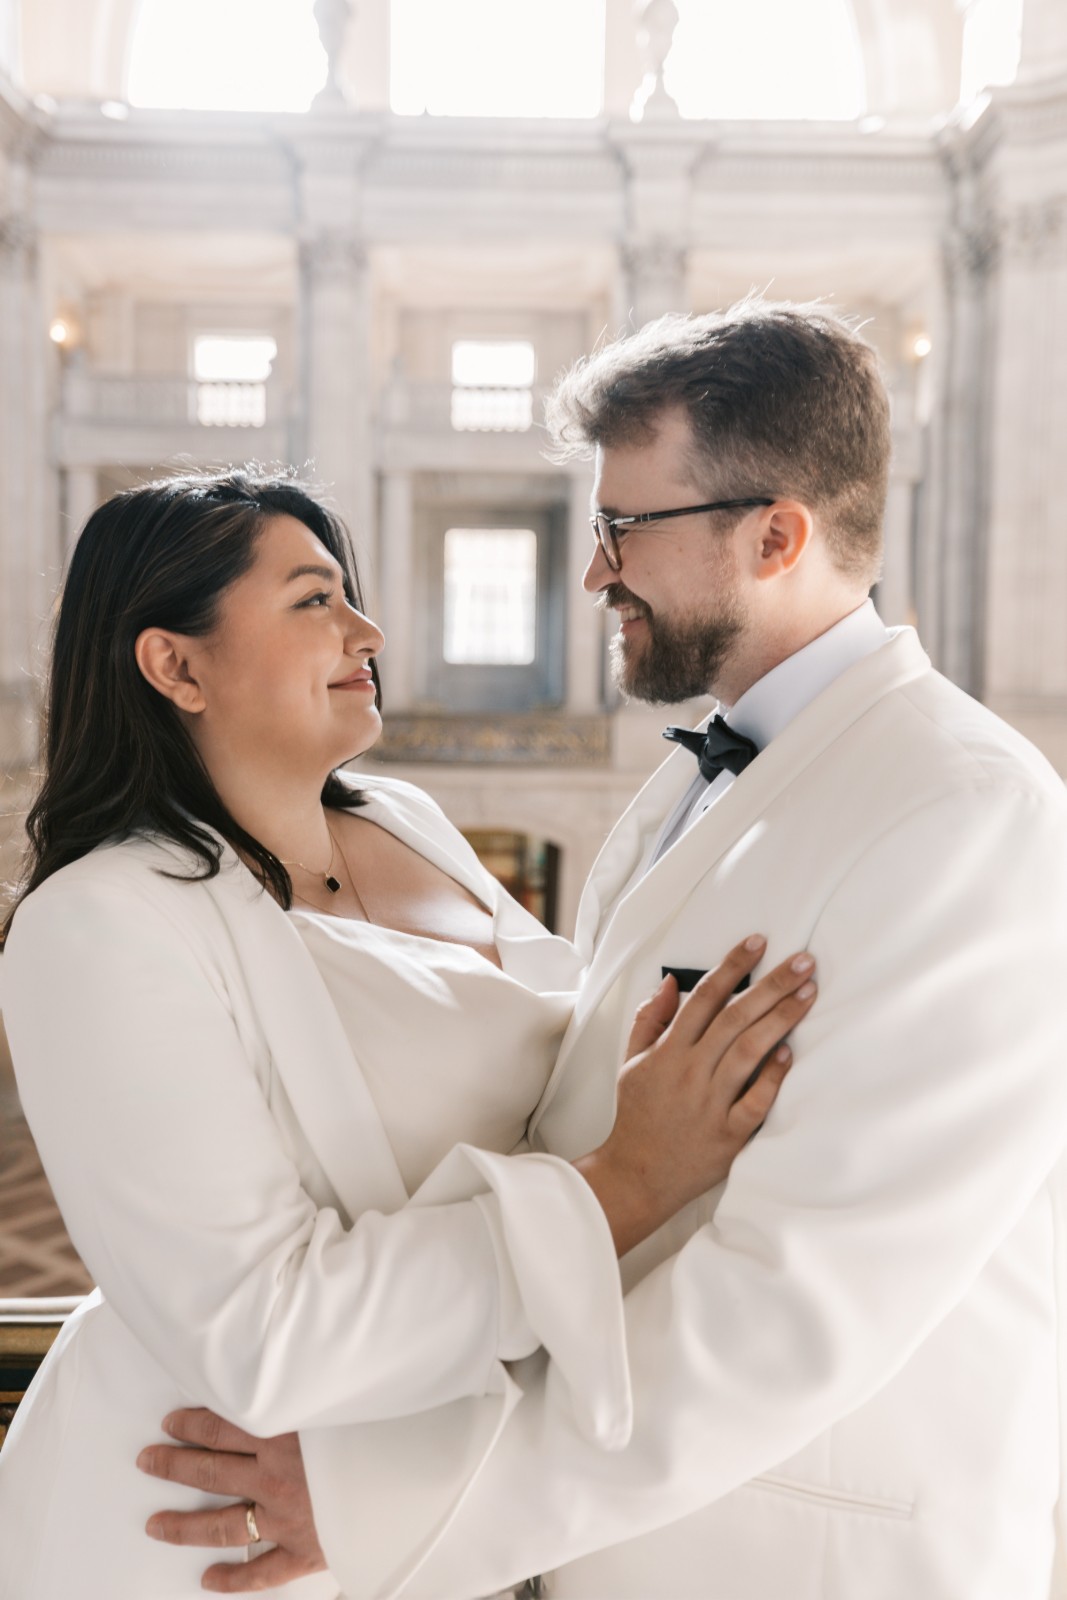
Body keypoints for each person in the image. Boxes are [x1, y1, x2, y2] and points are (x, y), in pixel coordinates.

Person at [142, 299, 1067, 1600]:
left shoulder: (965, 810)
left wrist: (400, 1491)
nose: (593, 573)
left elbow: (801, 1300)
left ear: (774, 534)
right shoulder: (689, 783)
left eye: (622, 528)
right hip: (623, 1534)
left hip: (805, 1557)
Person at [0, 469, 814, 1600]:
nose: (367, 630)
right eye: (312, 601)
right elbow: (260, 1332)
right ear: (174, 663)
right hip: (214, 1522)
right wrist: (625, 1181)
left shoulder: (410, 820)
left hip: (444, 1480)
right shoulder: (96, 924)